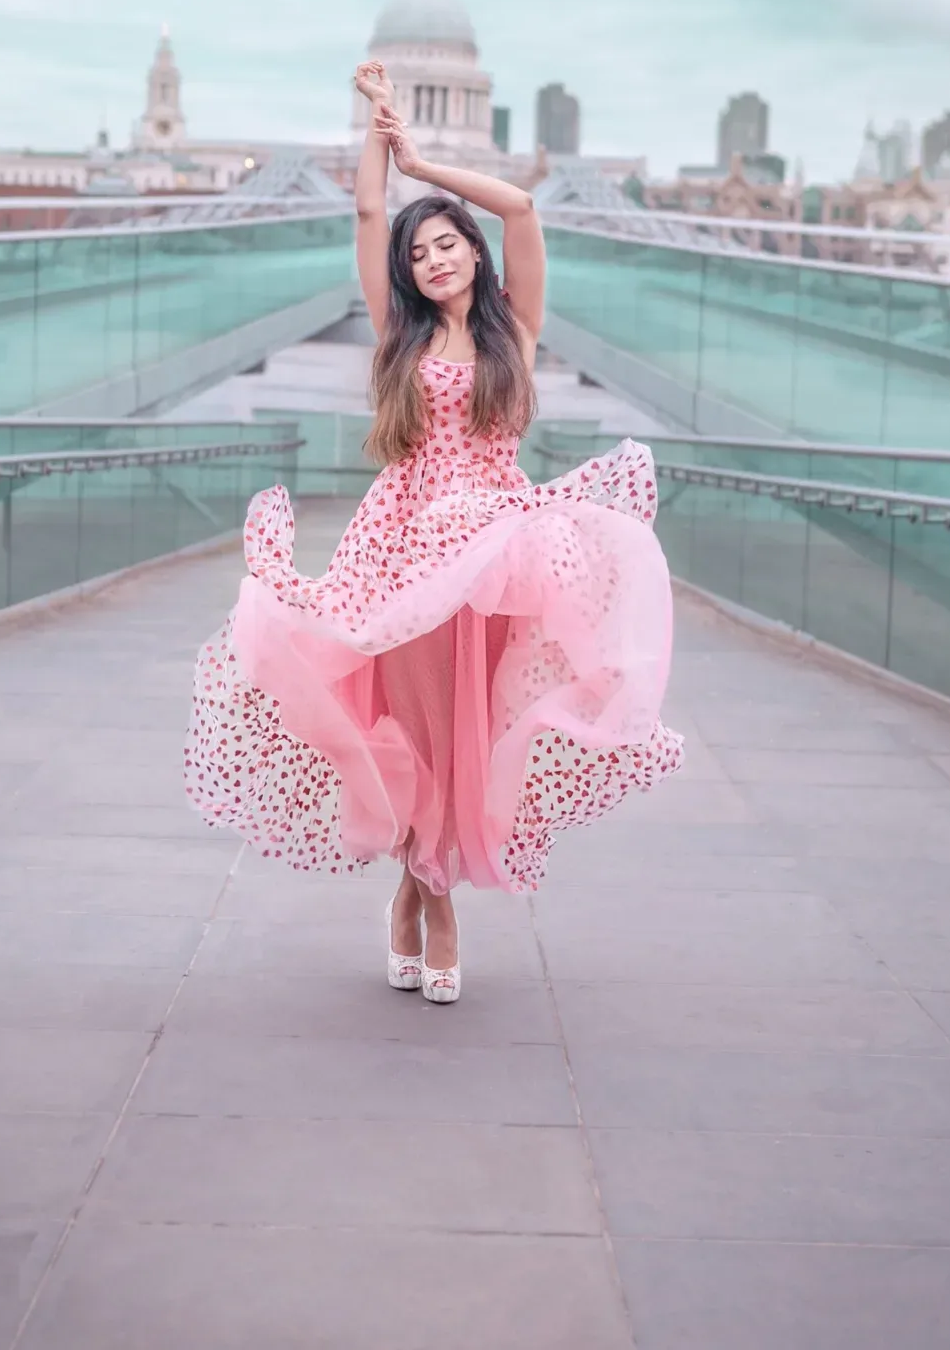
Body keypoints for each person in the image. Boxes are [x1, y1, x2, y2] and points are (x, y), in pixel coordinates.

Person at [184, 59, 683, 1003]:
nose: (434, 259)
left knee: (467, 726)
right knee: (407, 722)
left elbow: (524, 210)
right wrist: (380, 132)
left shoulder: (515, 332)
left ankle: (421, 894)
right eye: (423, 255)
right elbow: (371, 217)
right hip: (403, 542)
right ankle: (429, 897)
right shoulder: (398, 338)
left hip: (497, 550)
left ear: (474, 253)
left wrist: (433, 168)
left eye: (449, 245)